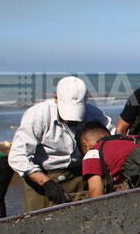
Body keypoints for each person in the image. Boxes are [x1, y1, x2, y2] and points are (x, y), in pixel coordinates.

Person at [8, 76, 112, 212]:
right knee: (39, 224)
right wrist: (46, 183)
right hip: (42, 176)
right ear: (55, 97)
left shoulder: (94, 114)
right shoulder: (37, 115)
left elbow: (112, 142)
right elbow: (17, 156)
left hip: (79, 174)